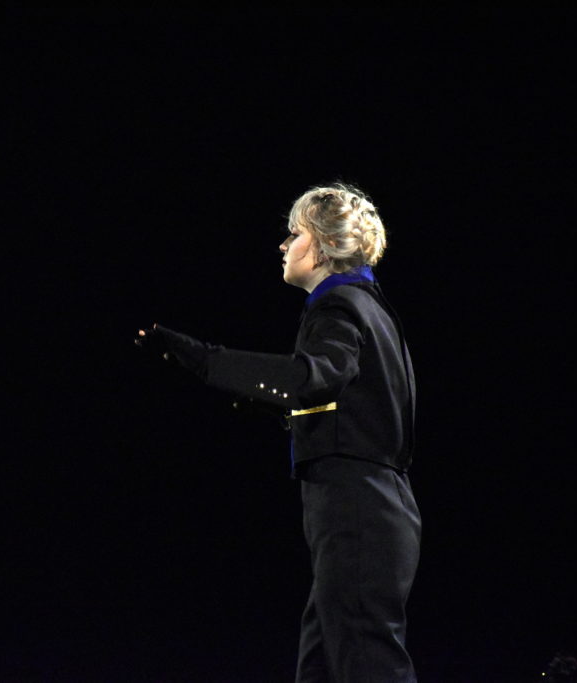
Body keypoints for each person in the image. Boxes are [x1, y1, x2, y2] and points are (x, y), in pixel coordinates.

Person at [135, 182, 420, 682]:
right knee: (324, 665)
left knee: (362, 661)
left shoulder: (340, 307)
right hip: (369, 506)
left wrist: (207, 361)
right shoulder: (373, 310)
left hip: (356, 503)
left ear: (327, 244)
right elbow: (340, 404)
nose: (284, 246)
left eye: (294, 234)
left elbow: (313, 378)